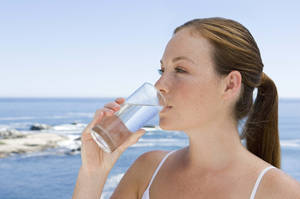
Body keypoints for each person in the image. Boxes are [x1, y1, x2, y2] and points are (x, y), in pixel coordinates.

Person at [72, 17, 300, 199]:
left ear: (230, 84)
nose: (159, 85)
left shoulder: (280, 193)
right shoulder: (148, 169)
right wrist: (93, 173)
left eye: (180, 70)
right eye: (162, 71)